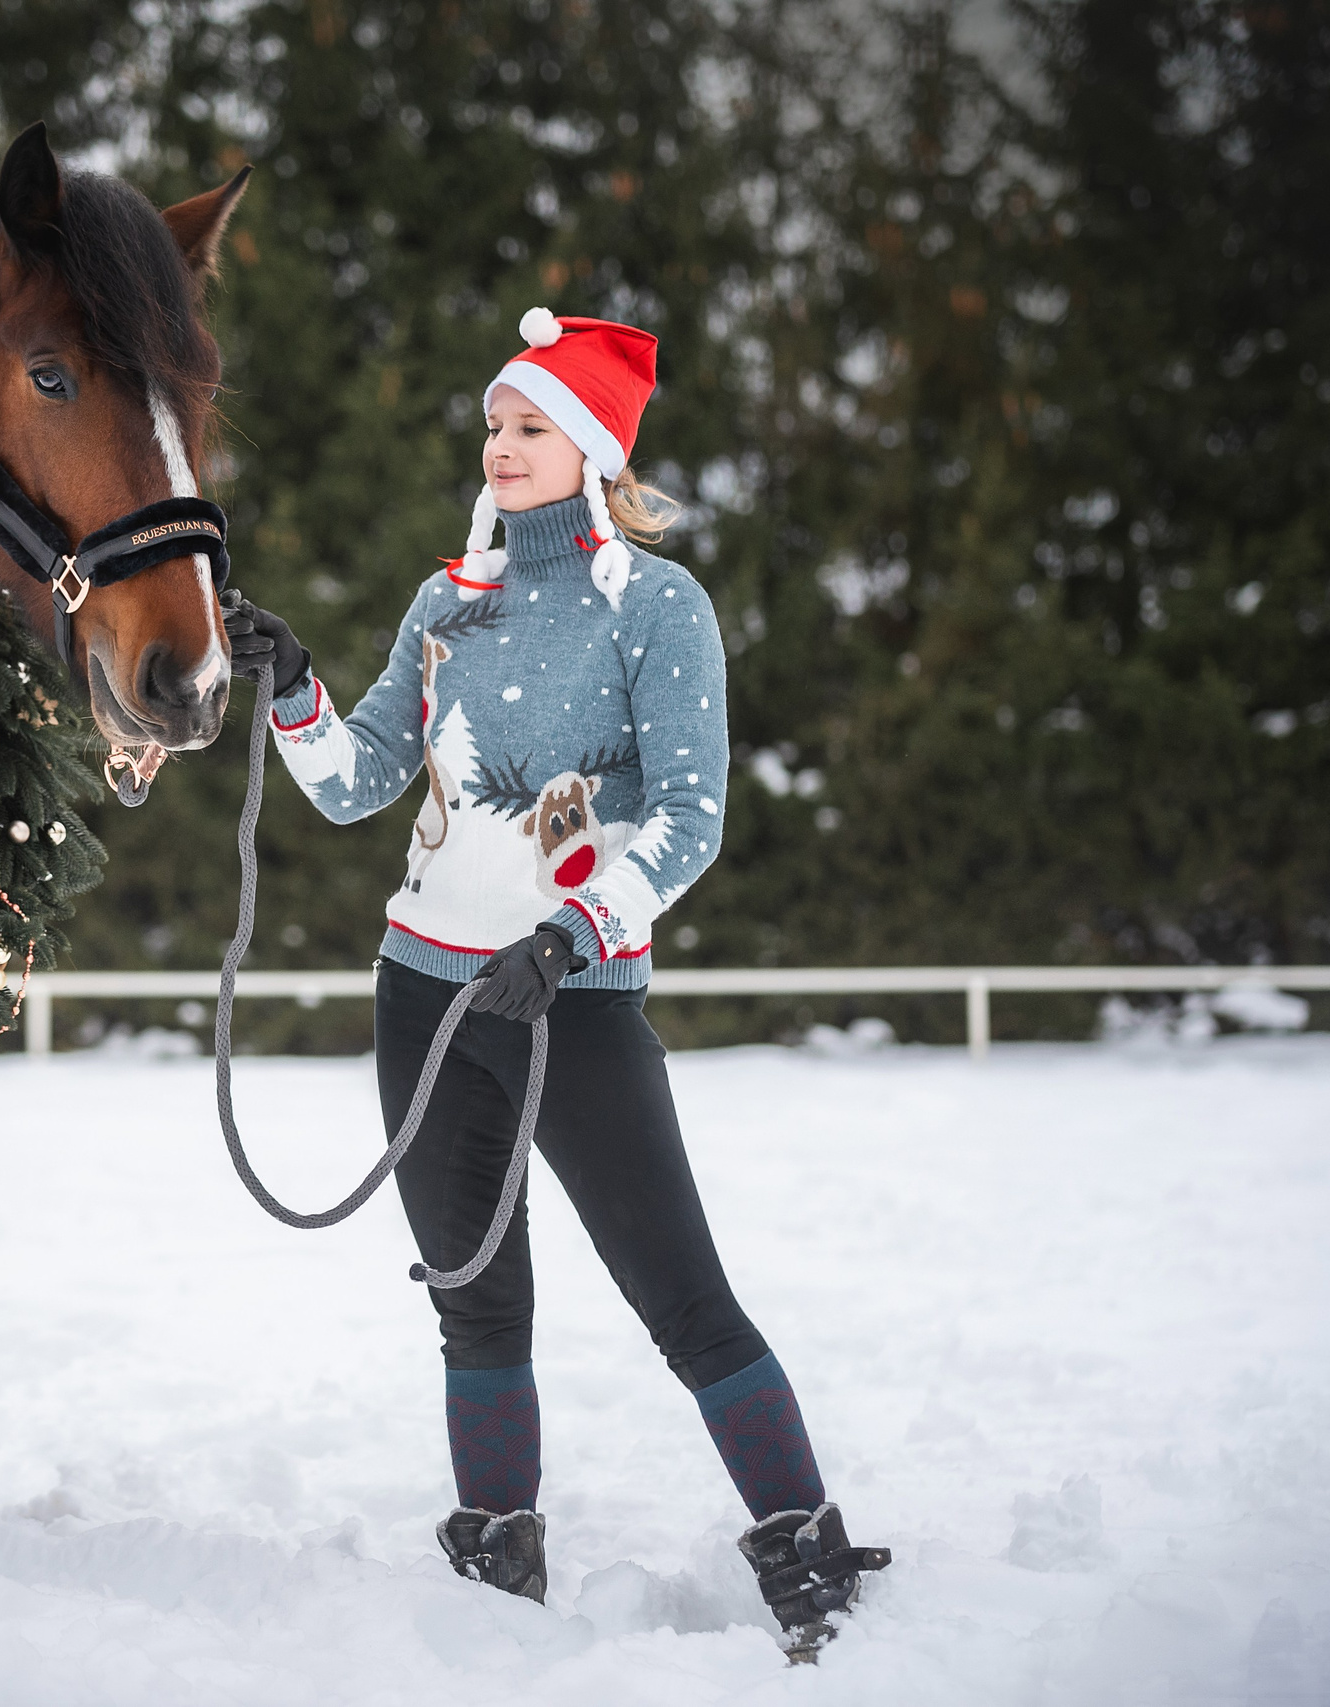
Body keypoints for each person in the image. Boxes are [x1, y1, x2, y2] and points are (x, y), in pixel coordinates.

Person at [222, 307, 888, 1660]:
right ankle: (495, 1551)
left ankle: (805, 1546)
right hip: (423, 997)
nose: (503, 446)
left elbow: (690, 820)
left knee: (682, 1298)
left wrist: (573, 936)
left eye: (530, 426)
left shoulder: (658, 606)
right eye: (494, 424)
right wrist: (292, 685)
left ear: (589, 447)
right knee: (475, 1298)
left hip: (568, 1006)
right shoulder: (447, 601)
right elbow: (357, 786)